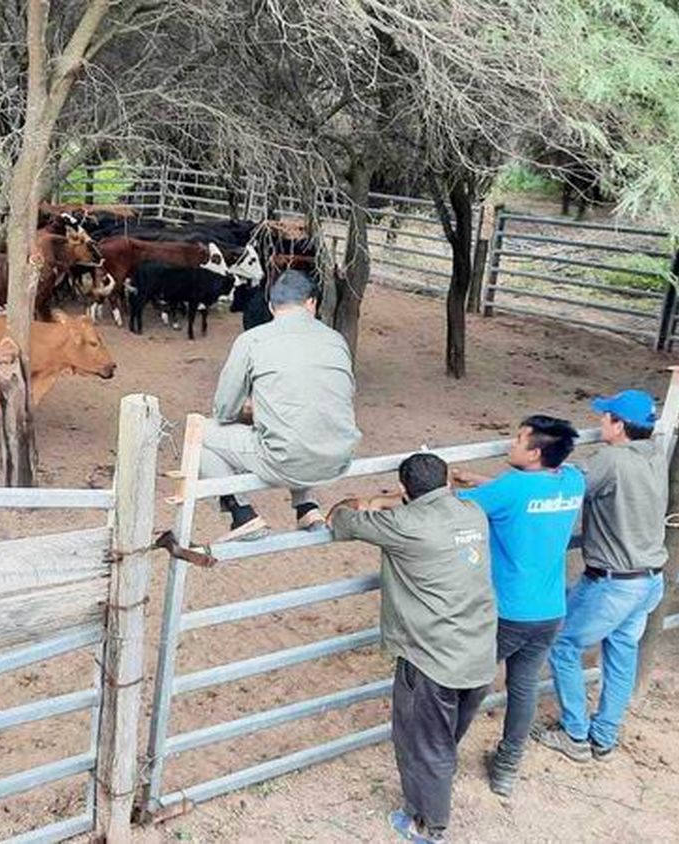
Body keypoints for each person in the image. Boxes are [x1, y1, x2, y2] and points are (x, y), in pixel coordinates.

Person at [329, 453, 495, 844]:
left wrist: (367, 501)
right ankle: (430, 798)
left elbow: (342, 519)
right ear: (446, 482)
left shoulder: (403, 525)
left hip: (431, 659)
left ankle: (428, 826)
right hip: (479, 652)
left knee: (425, 744)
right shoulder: (473, 514)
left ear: (404, 488)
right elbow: (434, 505)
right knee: (444, 739)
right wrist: (394, 500)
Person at [451, 414, 583, 797]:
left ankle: (444, 751)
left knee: (468, 679)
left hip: (508, 612)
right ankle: (507, 767)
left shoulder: (510, 489)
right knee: (523, 687)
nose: (511, 443)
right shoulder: (571, 481)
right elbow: (527, 495)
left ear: (535, 452)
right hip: (551, 610)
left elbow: (453, 504)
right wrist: (479, 480)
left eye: (519, 439)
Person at [532, 390, 666, 763]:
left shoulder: (612, 459)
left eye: (606, 417)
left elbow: (568, 488)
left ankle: (575, 734)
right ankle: (604, 736)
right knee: (622, 654)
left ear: (619, 426)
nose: (600, 422)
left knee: (562, 644)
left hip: (614, 582)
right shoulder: (656, 453)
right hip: (649, 579)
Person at [200, 268, 361, 543]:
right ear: (312, 303)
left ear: (272, 307)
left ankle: (242, 514)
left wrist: (251, 411)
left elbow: (224, 411)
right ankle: (306, 506)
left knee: (201, 433)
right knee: (300, 419)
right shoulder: (337, 340)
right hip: (339, 457)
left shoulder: (252, 340)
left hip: (288, 461)